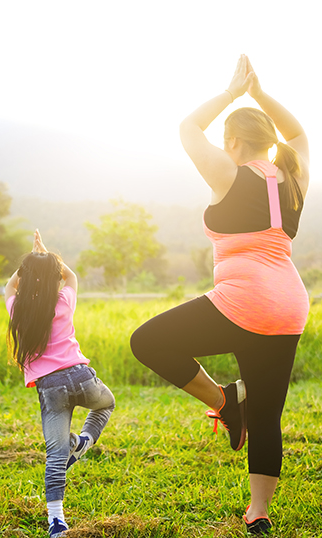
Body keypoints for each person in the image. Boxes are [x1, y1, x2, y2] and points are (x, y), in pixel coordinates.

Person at [130, 55, 310, 536]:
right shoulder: (293, 176)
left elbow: (189, 126)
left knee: (147, 342)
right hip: (289, 305)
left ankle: (224, 401)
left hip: (243, 301)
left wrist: (234, 92)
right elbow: (297, 136)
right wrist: (261, 95)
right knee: (268, 414)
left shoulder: (229, 173)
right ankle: (258, 513)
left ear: (232, 142)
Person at [5, 229, 116, 538]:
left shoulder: (19, 310)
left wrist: (30, 264)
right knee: (106, 403)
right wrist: (48, 257)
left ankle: (57, 522)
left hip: (50, 389)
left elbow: (9, 286)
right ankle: (83, 442)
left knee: (55, 456)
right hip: (81, 377)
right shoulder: (64, 301)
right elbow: (71, 276)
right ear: (54, 278)